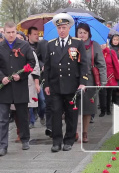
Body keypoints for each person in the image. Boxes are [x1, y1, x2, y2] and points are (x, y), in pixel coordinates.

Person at [44, 13, 88, 152]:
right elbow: (47, 67)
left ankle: (69, 140)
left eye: (64, 27)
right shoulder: (51, 45)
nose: (61, 30)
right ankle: (56, 141)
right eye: (59, 28)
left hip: (72, 85)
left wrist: (83, 82)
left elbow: (84, 64)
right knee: (56, 113)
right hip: (56, 85)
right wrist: (46, 84)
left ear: (69, 28)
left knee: (71, 114)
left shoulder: (77, 43)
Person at [0, 21, 35, 156]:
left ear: (16, 32)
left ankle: (25, 139)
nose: (10, 35)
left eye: (13, 32)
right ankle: (3, 146)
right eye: (8, 32)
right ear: (4, 32)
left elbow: (31, 63)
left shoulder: (24, 45)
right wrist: (1, 77)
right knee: (3, 117)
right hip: (5, 86)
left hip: (20, 86)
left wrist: (21, 75)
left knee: (22, 115)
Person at [75, 23, 107, 143]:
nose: (82, 35)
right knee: (75, 107)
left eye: (84, 32)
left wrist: (103, 81)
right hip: (74, 80)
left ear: (88, 34)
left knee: (88, 108)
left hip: (90, 80)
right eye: (80, 32)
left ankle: (85, 132)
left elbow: (101, 64)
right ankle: (75, 131)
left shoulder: (94, 45)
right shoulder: (72, 45)